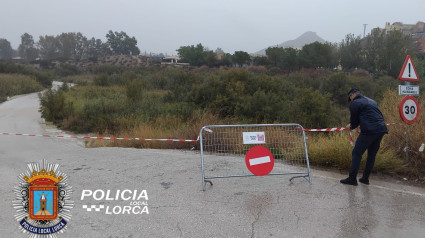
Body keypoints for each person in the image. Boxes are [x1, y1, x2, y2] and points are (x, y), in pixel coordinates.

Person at [340, 88, 388, 186]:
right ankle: (365, 178)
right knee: (371, 155)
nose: (351, 100)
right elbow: (371, 115)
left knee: (356, 153)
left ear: (352, 95)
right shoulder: (372, 101)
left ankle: (352, 179)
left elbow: (354, 120)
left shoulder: (355, 103)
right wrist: (360, 123)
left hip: (369, 131)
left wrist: (351, 126)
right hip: (381, 129)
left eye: (350, 98)